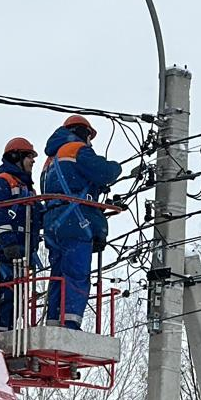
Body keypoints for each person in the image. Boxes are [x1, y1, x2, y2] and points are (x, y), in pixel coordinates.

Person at [39, 114, 122, 329]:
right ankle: (71, 324)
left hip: (52, 223)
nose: (90, 143)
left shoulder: (49, 161)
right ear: (83, 133)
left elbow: (61, 185)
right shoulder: (76, 149)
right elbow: (104, 172)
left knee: (58, 275)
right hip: (74, 221)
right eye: (89, 137)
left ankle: (54, 322)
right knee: (76, 274)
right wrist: (116, 168)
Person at [0, 137, 39, 329]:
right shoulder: (1, 183)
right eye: (29, 157)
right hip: (5, 250)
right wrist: (7, 242)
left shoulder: (27, 189)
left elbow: (36, 218)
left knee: (18, 298)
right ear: (16, 157)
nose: (33, 161)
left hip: (22, 251)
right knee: (4, 293)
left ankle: (10, 328)